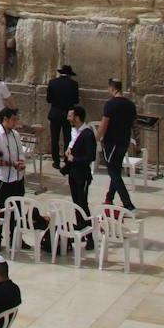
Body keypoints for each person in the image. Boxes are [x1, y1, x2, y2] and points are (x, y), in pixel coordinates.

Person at [0, 108, 27, 241]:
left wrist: (21, 162)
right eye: (13, 119)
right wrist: (12, 164)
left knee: (17, 211)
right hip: (2, 179)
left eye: (16, 119)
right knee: (0, 210)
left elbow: (20, 152)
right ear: (5, 119)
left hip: (17, 178)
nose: (15, 122)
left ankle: (17, 239)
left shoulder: (15, 135)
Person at [99, 78, 138, 211]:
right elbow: (134, 125)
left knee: (113, 172)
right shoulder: (130, 104)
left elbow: (104, 125)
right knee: (115, 169)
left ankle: (128, 204)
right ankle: (109, 198)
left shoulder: (110, 104)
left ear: (112, 88)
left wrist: (94, 139)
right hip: (124, 141)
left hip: (112, 142)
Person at [66, 105, 97, 245]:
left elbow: (90, 156)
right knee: (76, 203)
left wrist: (75, 159)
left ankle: (91, 236)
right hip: (73, 173)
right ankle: (80, 228)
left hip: (82, 174)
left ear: (77, 117)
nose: (68, 118)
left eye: (70, 116)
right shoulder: (74, 131)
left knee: (83, 204)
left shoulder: (88, 134)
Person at [45, 65, 79, 171]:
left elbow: (49, 99)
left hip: (55, 113)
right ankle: (66, 160)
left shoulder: (52, 82)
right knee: (68, 138)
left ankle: (56, 161)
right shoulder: (74, 84)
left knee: (55, 138)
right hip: (68, 115)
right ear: (69, 74)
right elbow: (76, 100)